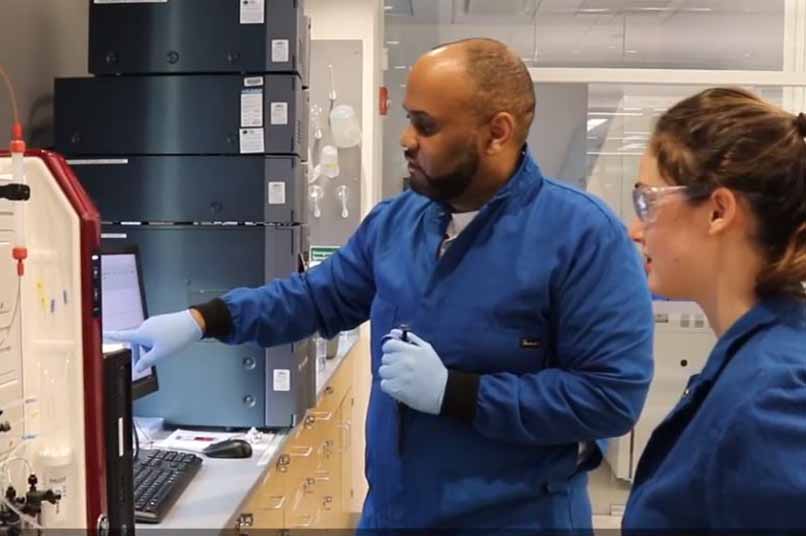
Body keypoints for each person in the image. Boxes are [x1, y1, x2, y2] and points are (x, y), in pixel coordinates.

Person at [107, 38, 654, 530]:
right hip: (394, 515)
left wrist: (460, 393)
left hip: (516, 520)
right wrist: (205, 319)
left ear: (497, 132)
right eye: (409, 120)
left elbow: (610, 397)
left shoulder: (582, 237)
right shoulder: (398, 223)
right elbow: (315, 298)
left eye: (427, 125)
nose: (407, 139)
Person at [623, 87, 806, 531]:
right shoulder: (757, 358)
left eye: (648, 202)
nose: (635, 230)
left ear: (718, 211)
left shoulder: (773, 399)